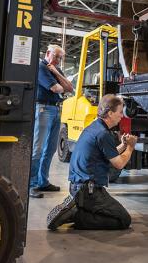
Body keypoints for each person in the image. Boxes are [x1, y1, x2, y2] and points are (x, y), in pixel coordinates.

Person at [47, 94, 138, 230]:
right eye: (120, 112)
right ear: (110, 113)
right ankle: (77, 214)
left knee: (113, 214)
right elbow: (118, 163)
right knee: (123, 220)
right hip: (89, 192)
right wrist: (130, 147)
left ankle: (79, 207)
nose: (121, 116)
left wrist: (123, 145)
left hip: (79, 187)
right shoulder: (104, 134)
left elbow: (109, 154)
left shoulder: (95, 127)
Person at [30, 44, 74, 198]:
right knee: (38, 148)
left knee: (50, 149)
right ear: (48, 53)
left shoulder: (54, 69)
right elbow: (56, 89)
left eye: (60, 58)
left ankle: (43, 181)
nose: (58, 60)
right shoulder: (41, 67)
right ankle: (32, 184)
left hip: (55, 109)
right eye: (56, 56)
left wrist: (56, 72)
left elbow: (70, 88)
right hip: (43, 109)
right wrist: (62, 84)